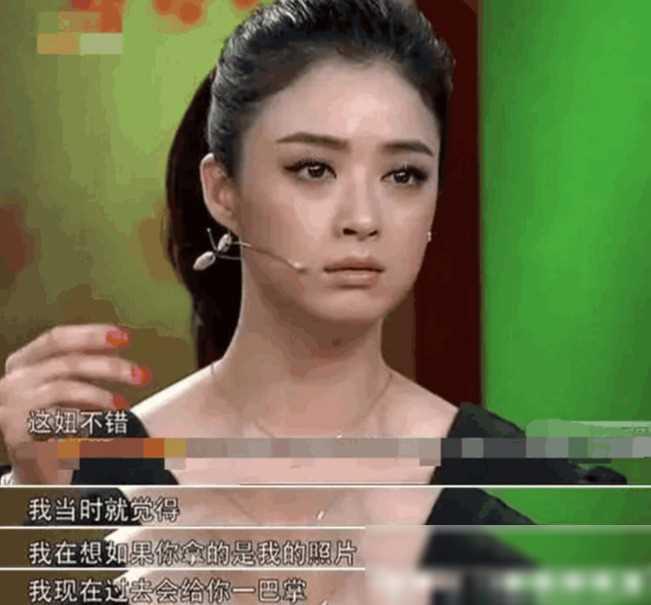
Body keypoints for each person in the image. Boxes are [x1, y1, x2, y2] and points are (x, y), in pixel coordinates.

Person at [2, 4, 624, 600]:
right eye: (314, 169)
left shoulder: (527, 493)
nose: (363, 218)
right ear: (223, 190)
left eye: (403, 175)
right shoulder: (83, 476)